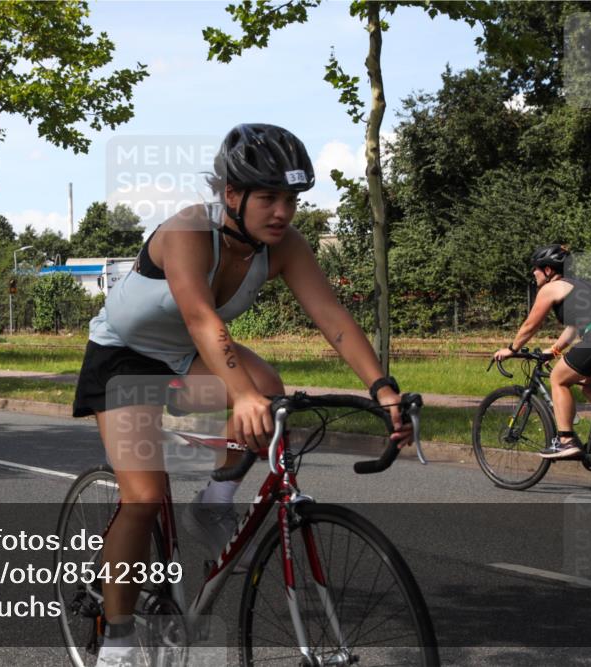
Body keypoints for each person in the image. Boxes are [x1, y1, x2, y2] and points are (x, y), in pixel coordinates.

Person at [72, 123, 411, 664]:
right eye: (269, 198)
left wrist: (383, 388)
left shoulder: (284, 248)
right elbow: (200, 315)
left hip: (187, 355)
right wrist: (240, 394)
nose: (283, 212)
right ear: (232, 194)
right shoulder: (186, 231)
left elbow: (333, 319)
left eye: (292, 200)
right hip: (125, 358)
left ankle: (215, 501)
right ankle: (116, 639)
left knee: (272, 395)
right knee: (142, 492)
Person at [494, 244, 591, 459]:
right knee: (590, 387)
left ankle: (566, 440)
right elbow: (573, 328)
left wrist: (512, 349)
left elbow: (530, 325)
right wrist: (555, 351)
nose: (533, 273)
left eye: (536, 268)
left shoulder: (551, 288)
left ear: (548, 270)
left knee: (558, 378)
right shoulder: (581, 286)